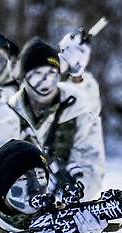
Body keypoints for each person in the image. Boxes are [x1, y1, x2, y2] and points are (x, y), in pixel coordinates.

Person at [9, 37, 105, 201]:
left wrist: (71, 196)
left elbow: (91, 166)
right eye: (37, 74)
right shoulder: (7, 114)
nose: (45, 81)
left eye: (51, 73)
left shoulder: (79, 111)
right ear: (25, 77)